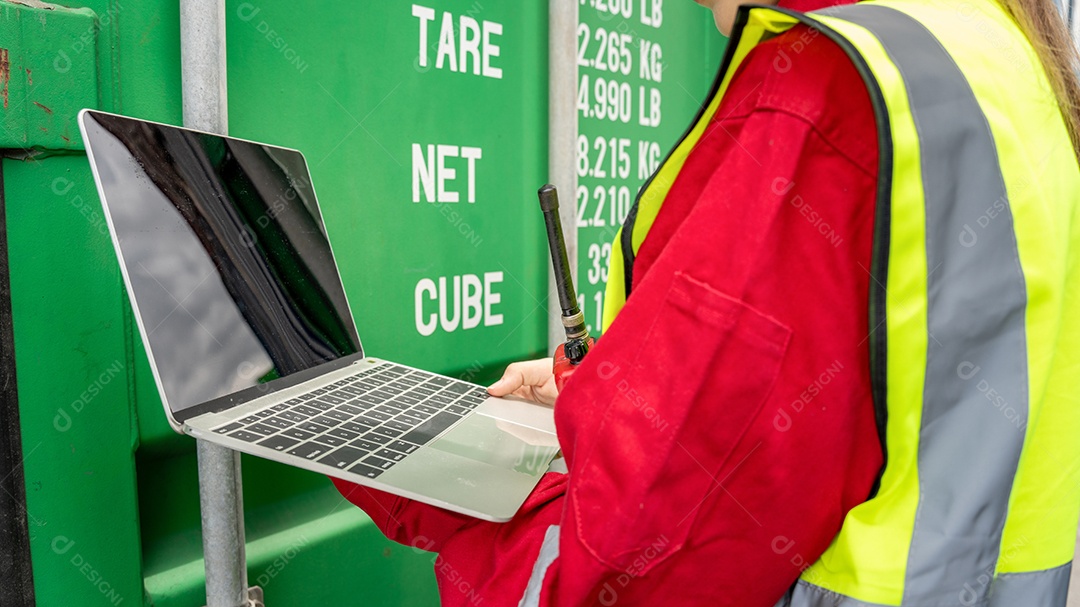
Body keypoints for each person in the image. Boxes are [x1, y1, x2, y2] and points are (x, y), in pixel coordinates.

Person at [334, 0, 1080, 603]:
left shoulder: (824, 92)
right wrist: (604, 396)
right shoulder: (1004, 62)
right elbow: (900, 372)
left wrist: (409, 477)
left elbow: (620, 577)